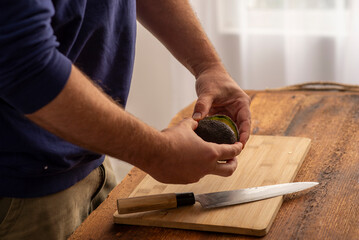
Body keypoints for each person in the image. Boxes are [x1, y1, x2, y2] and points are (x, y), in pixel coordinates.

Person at [0, 0, 251, 239]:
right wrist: (158, 153)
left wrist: (208, 65)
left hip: (91, 160)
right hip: (21, 192)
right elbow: (24, 63)